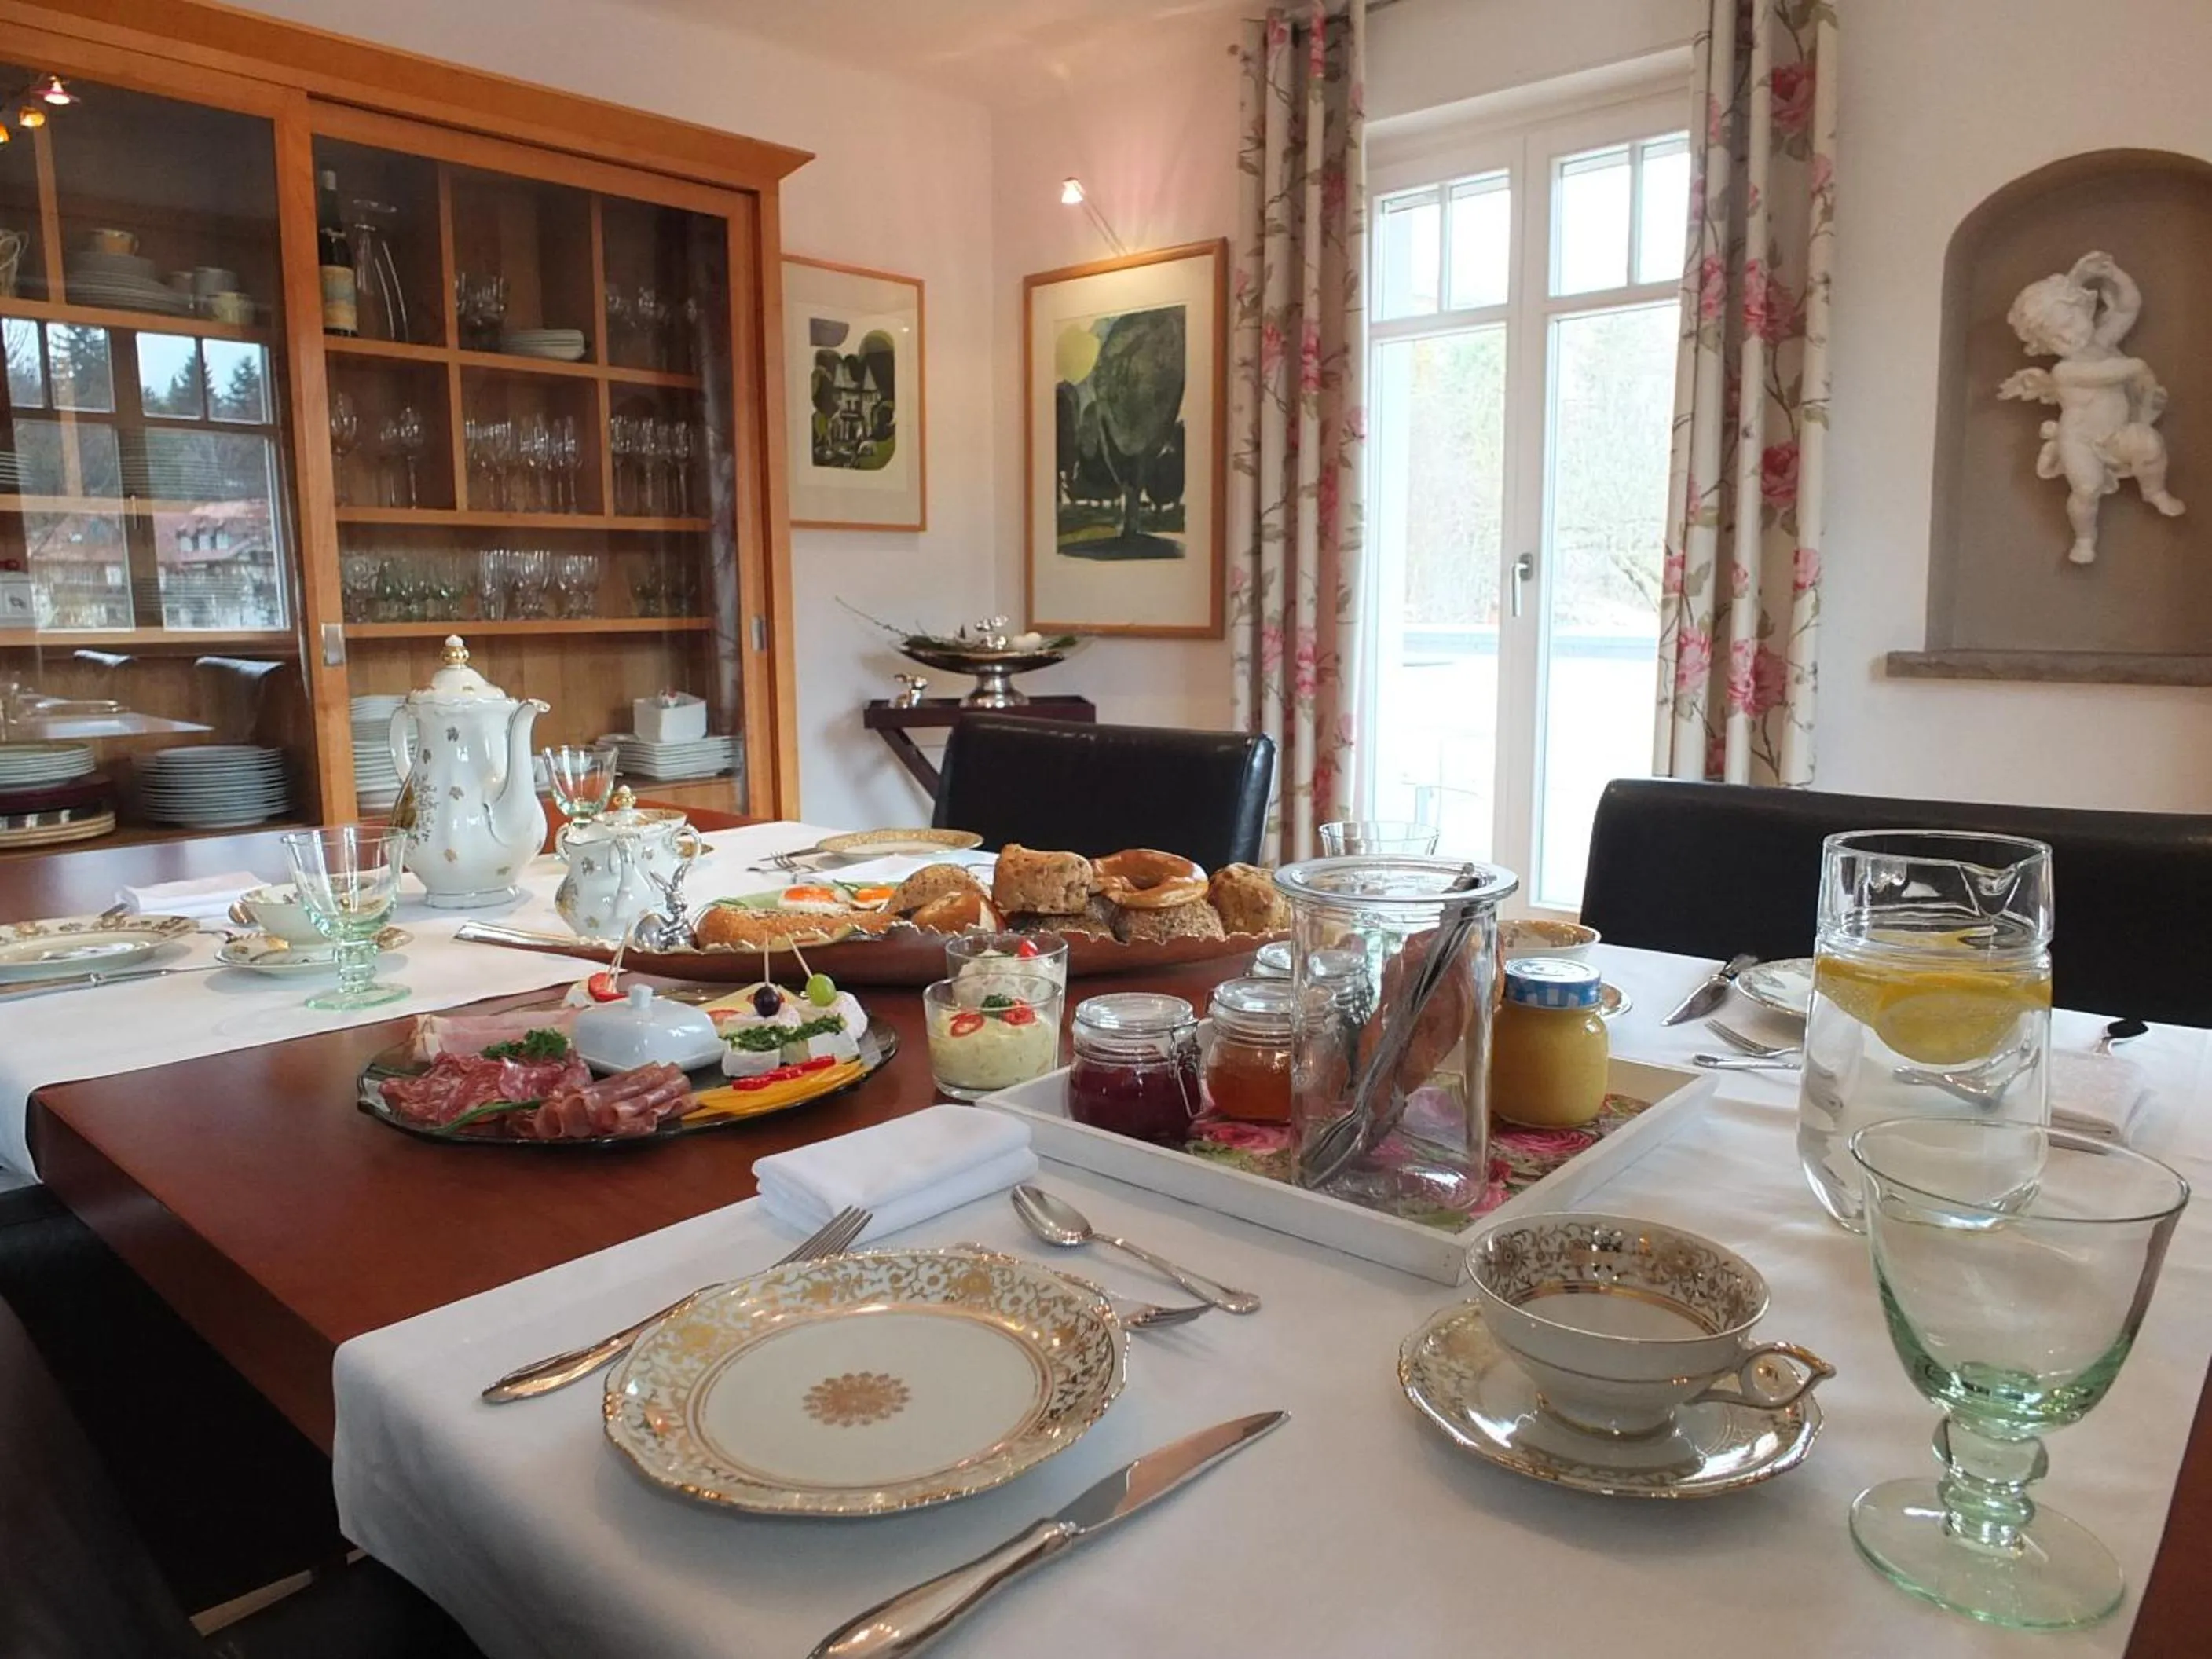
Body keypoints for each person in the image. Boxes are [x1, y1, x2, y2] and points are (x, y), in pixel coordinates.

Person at [1998, 250, 2184, 565]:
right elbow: (2107, 374)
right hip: (2080, 440)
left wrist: (2113, 275)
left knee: (2150, 446)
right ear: (2043, 345)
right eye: (2055, 337)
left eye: (2070, 323)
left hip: (2116, 433)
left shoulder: (2103, 343)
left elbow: (2128, 307)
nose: (2068, 337)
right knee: (2087, 488)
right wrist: (2137, 367)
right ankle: (2085, 538)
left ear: (2084, 308)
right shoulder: (2064, 371)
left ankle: (2154, 491)